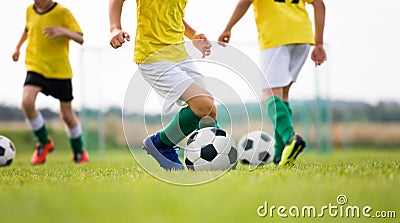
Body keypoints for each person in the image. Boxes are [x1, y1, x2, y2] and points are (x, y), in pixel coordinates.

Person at [109, 0, 218, 170]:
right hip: (153, 57)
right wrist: (114, 28)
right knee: (203, 103)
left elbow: (172, 14)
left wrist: (193, 36)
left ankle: (214, 156)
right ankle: (161, 144)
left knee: (209, 110)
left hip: (179, 55)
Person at [219, 0, 327, 166]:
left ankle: (290, 138)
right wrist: (318, 42)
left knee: (268, 95)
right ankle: (279, 154)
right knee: (282, 96)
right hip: (303, 37)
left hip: (276, 38)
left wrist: (228, 28)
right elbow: (319, 4)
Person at [12, 0, 89, 164]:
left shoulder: (62, 12)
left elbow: (80, 38)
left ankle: (79, 151)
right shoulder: (30, 10)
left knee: (67, 115)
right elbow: (27, 29)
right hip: (36, 65)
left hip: (59, 70)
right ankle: (44, 142)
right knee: (27, 101)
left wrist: (62, 31)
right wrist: (18, 47)